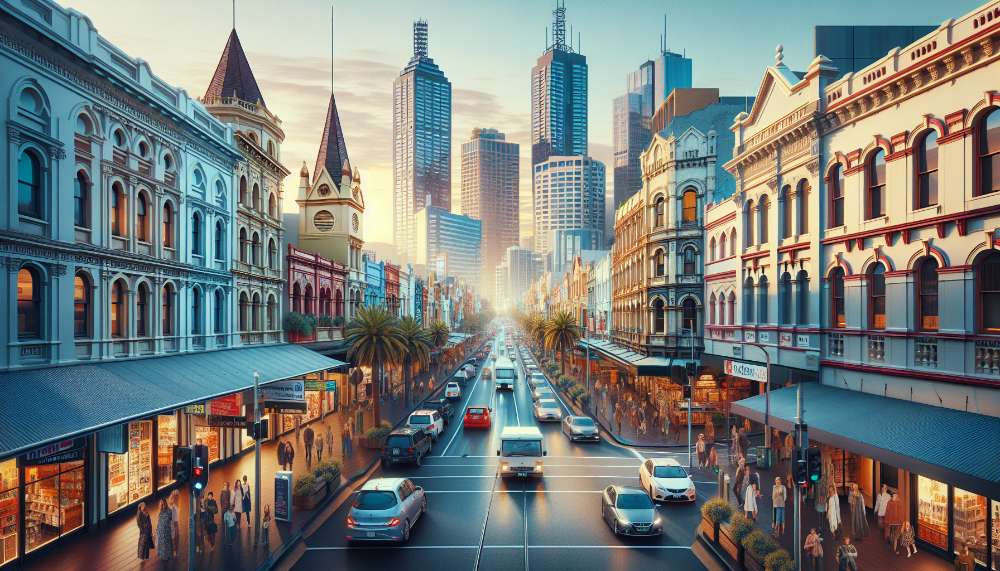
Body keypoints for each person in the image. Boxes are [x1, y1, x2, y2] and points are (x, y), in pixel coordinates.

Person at [168, 489, 180, 558]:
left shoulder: (174, 508)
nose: (170, 499)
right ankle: (174, 550)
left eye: (171, 498)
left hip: (172, 524)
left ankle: (174, 550)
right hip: (172, 524)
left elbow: (175, 521)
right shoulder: (174, 507)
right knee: (173, 538)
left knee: (173, 538)